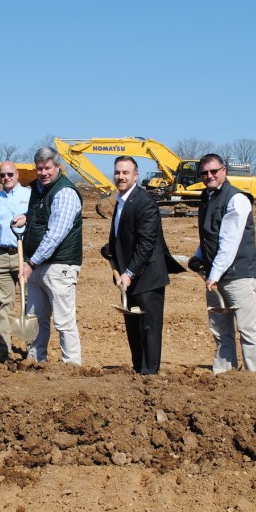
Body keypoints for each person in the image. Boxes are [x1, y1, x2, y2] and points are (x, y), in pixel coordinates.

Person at [101, 156, 184, 374]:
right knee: (133, 328)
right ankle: (139, 371)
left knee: (148, 328)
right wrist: (110, 247)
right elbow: (127, 235)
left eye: (126, 172)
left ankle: (150, 374)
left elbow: (147, 244)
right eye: (118, 172)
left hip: (147, 276)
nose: (121, 176)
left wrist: (128, 273)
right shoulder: (121, 201)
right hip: (129, 277)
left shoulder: (145, 202)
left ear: (135, 175)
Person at [188, 154, 256, 374]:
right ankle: (225, 373)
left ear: (224, 171)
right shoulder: (207, 197)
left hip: (237, 274)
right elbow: (209, 236)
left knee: (246, 328)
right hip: (215, 274)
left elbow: (229, 241)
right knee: (220, 328)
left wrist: (215, 274)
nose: (209, 176)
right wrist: (198, 255)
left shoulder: (236, 199)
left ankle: (254, 377)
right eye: (204, 173)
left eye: (214, 171)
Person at [13, 146, 84, 365]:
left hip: (59, 266)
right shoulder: (38, 189)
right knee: (36, 318)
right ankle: (35, 359)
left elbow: (56, 234)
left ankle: (71, 366)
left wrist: (31, 263)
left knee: (63, 321)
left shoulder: (65, 192)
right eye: (39, 168)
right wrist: (27, 217)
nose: (43, 173)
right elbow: (43, 215)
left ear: (58, 167)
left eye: (48, 168)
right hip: (37, 264)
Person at [0, 162, 31, 359]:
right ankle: (3, 348)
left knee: (29, 302)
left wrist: (26, 217)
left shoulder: (28, 197)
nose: (6, 178)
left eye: (10, 174)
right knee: (5, 304)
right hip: (1, 257)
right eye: (2, 175)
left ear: (17, 174)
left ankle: (33, 349)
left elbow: (38, 220)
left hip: (24, 257)